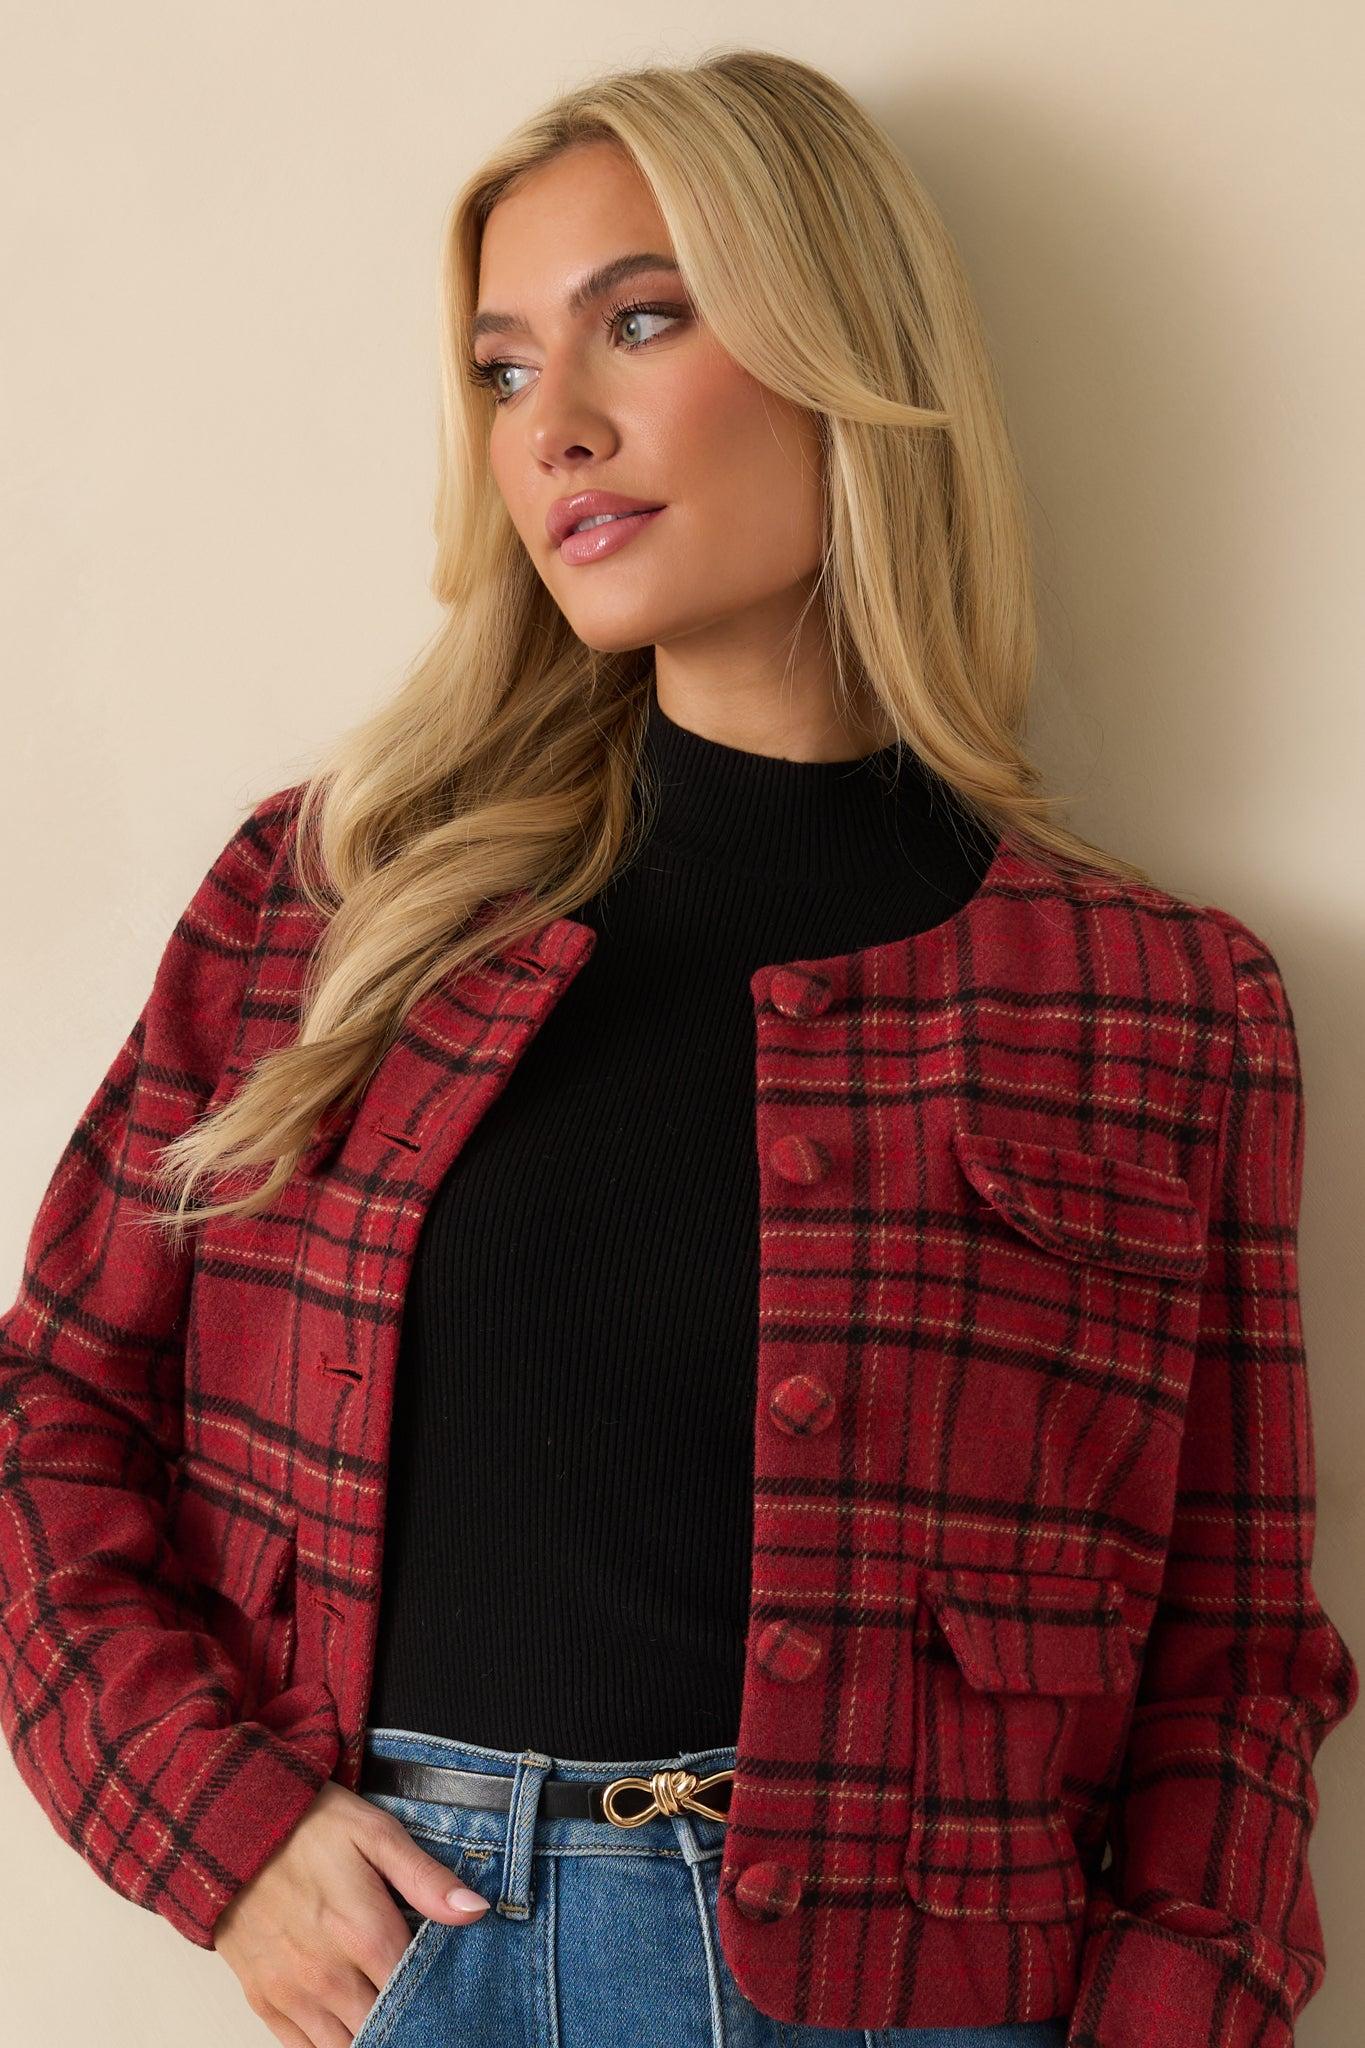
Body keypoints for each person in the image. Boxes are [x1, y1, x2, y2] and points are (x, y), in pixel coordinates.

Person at [0, 45, 1356, 2048]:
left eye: (638, 320)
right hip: (429, 1953)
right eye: (499, 369)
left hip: (935, 2002)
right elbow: (46, 1417)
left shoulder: (1154, 1002)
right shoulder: (328, 907)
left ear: (841, 348)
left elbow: (1230, 1652)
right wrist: (217, 1826)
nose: (552, 423)